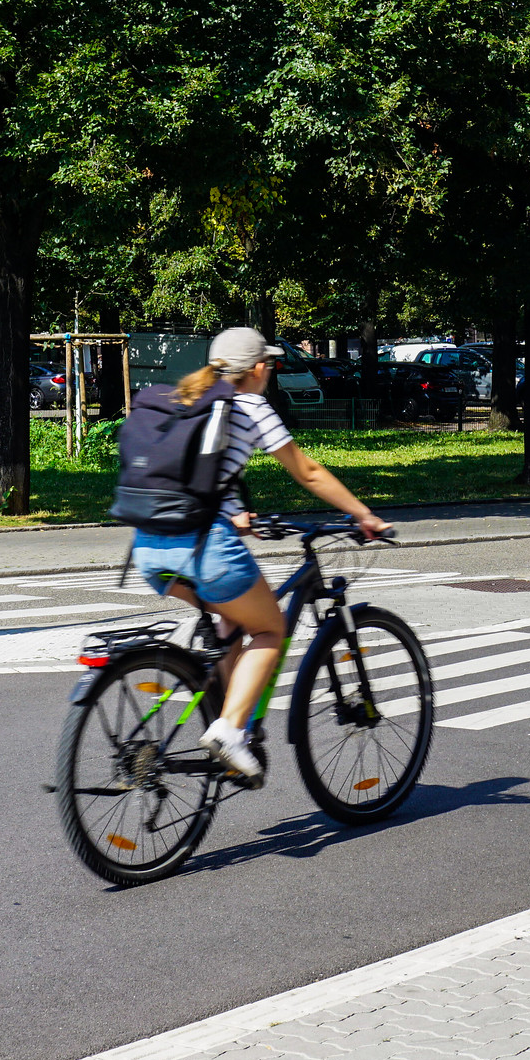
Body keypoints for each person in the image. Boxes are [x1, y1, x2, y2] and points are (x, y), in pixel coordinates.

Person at [127, 327, 389, 787]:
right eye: (271, 363)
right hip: (201, 547)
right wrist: (364, 515)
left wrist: (234, 513)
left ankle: (230, 725)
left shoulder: (189, 397)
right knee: (270, 628)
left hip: (148, 547)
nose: (273, 369)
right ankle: (230, 731)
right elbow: (306, 471)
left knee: (230, 623)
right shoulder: (249, 405)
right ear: (258, 368)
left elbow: (192, 474)